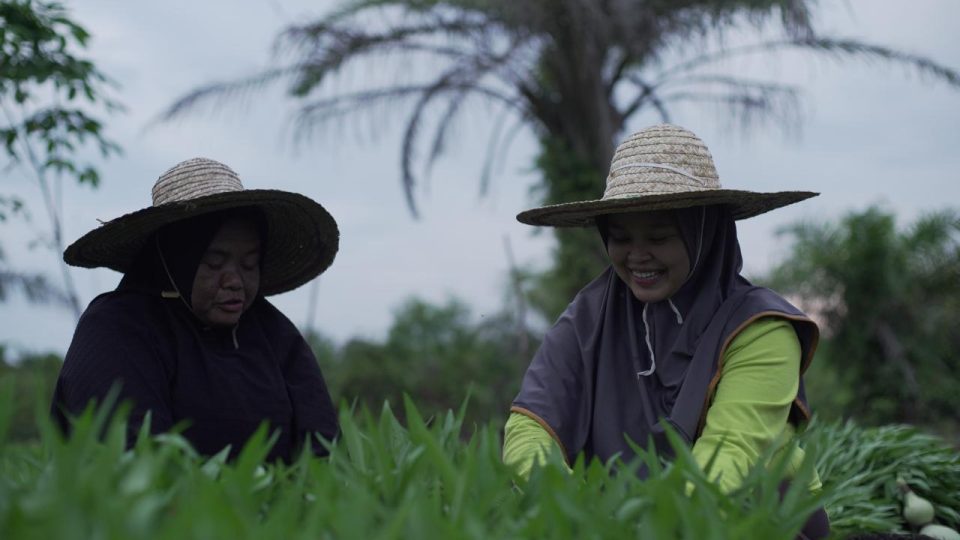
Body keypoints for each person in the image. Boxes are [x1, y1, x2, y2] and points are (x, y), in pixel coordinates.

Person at [502, 124, 829, 537]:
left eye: (659, 236)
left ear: (704, 234)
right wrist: (571, 504)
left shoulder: (761, 329)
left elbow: (728, 458)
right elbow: (529, 426)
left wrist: (643, 528)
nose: (637, 256)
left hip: (753, 522)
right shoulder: (590, 316)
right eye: (620, 237)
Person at [51, 157, 340, 463]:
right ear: (177, 258)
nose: (234, 281)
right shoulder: (118, 328)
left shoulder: (273, 333)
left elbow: (323, 448)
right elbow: (132, 459)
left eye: (249, 264)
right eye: (215, 262)